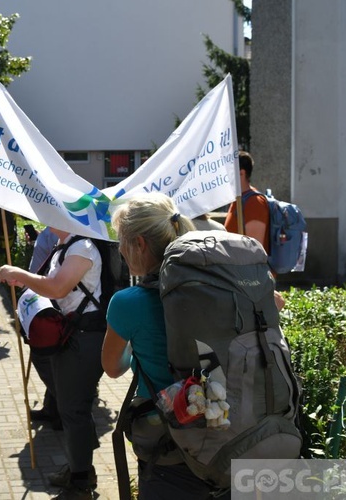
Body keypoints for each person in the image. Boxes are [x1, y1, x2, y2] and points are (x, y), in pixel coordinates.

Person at [100, 193, 217, 499]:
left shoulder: (127, 303)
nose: (120, 251)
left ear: (139, 243)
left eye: (122, 242)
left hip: (171, 444)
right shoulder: (213, 286)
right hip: (227, 428)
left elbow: (113, 368)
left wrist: (135, 342)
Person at [0, 227, 105, 499]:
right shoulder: (66, 244)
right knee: (71, 407)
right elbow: (53, 284)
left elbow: (57, 287)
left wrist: (19, 274)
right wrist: (27, 281)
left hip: (84, 336)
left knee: (73, 409)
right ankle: (80, 469)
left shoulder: (82, 248)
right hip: (73, 334)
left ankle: (81, 483)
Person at [25, 225, 63, 431]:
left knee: (45, 358)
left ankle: (62, 408)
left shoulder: (58, 233)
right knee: (51, 359)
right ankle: (52, 408)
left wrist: (21, 277)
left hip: (50, 305)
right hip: (49, 302)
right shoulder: (52, 232)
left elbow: (44, 274)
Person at [224, 151, 269, 252]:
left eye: (229, 171)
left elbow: (255, 249)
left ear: (242, 173)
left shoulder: (255, 203)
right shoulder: (237, 200)